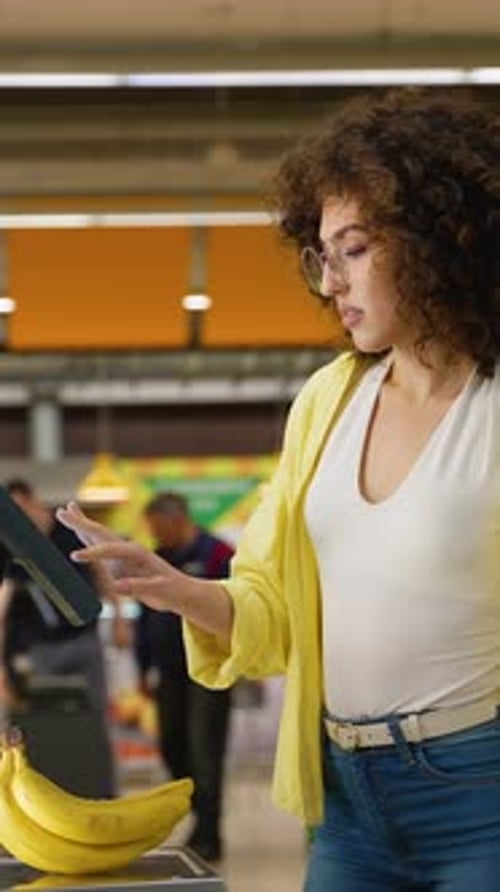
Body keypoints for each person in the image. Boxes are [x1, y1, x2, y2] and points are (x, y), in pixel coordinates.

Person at [58, 88, 499, 890]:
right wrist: (183, 591)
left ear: (442, 239)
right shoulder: (329, 401)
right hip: (345, 797)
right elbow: (271, 602)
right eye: (320, 253)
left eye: (356, 248)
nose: (330, 280)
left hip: (482, 791)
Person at [0, 479, 120, 798]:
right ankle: (43, 793)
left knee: (96, 717)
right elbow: (3, 606)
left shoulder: (65, 533)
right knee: (39, 722)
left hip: (84, 640)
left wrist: (120, 618)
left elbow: (99, 570)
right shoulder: (13, 544)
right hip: (40, 648)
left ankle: (103, 793)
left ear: (31, 501)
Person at [134, 492, 234, 863]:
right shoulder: (157, 557)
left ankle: (210, 833)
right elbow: (145, 618)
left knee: (205, 751)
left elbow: (241, 606)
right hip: (168, 671)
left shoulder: (218, 554)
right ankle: (198, 818)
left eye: (160, 529)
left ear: (179, 520)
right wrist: (142, 667)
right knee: (172, 748)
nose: (156, 536)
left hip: (209, 673)